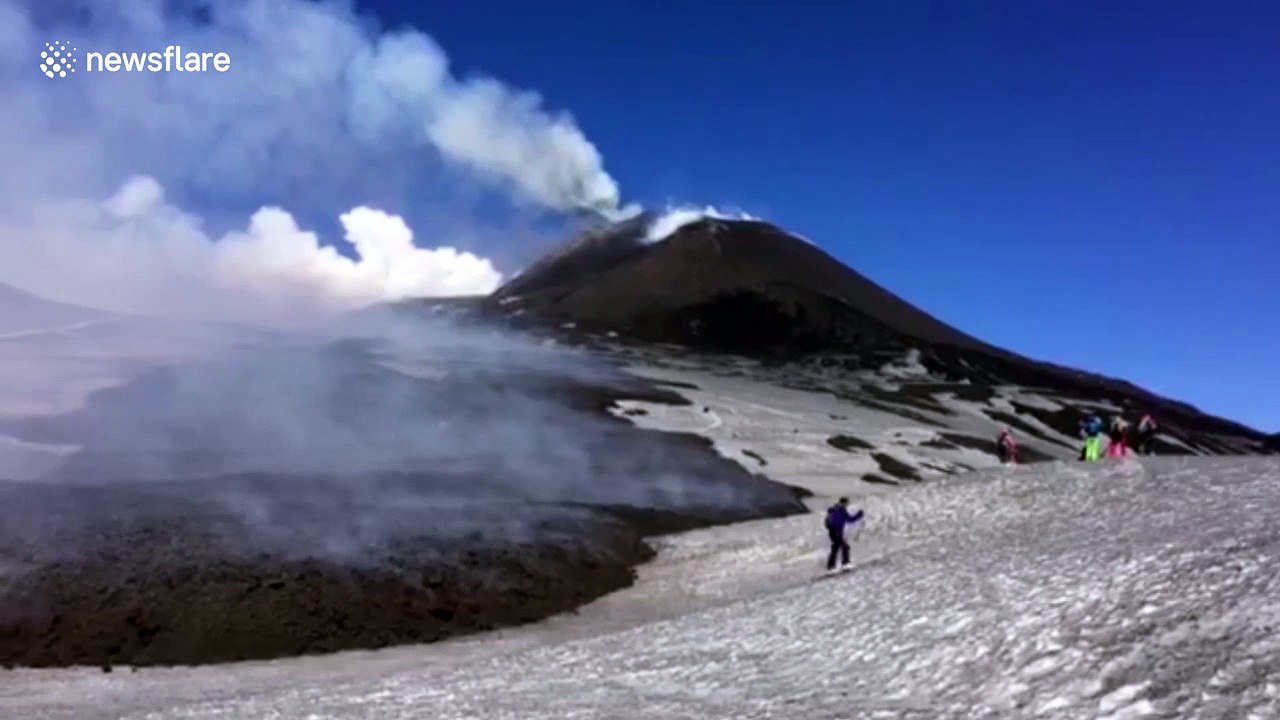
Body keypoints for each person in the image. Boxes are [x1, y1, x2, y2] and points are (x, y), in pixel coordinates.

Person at [824, 497, 864, 573]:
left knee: (837, 547)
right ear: (844, 503)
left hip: (833, 531)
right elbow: (849, 520)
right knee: (843, 547)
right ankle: (844, 564)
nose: (847, 505)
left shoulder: (835, 509)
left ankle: (832, 566)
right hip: (836, 531)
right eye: (847, 503)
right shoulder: (840, 510)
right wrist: (859, 515)